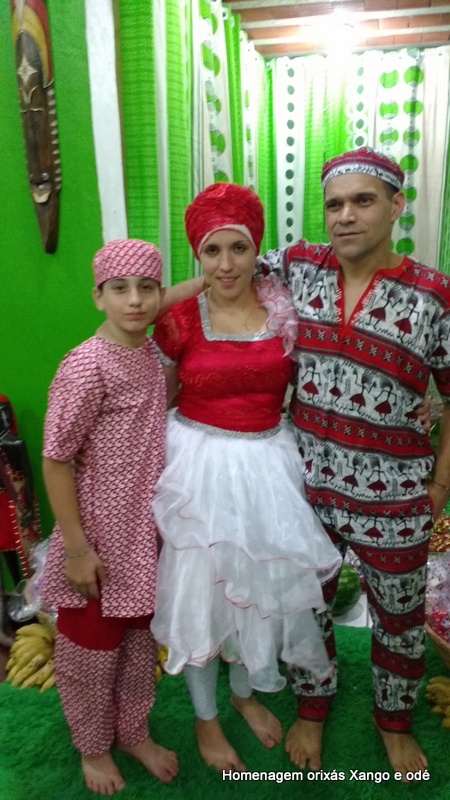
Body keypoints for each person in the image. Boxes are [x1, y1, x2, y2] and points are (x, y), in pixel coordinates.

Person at [258, 147, 450, 780]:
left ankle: (393, 721)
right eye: (334, 204)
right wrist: (138, 311)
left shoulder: (435, 296)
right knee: (305, 605)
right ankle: (312, 706)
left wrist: (439, 484)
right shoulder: (298, 267)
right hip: (307, 487)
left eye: (363, 201)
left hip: (395, 495)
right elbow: (222, 263)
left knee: (399, 619)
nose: (345, 216)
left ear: (396, 206)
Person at [150, 183, 343, 772]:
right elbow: (158, 398)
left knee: (256, 594)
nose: (227, 264)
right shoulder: (179, 317)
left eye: (239, 248)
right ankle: (206, 719)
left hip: (267, 467)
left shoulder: (283, 307)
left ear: (257, 250)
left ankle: (242, 694)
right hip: (198, 468)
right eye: (212, 251)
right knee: (202, 597)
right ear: (197, 256)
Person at [40, 239, 179, 796]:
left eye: (147, 288)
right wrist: (77, 549)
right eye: (120, 289)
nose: (135, 300)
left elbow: (170, 296)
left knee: (139, 644)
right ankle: (93, 746)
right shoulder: (86, 366)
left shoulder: (148, 352)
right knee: (91, 651)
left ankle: (133, 730)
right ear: (98, 296)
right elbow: (55, 461)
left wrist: (203, 282)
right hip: (98, 536)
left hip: (144, 533)